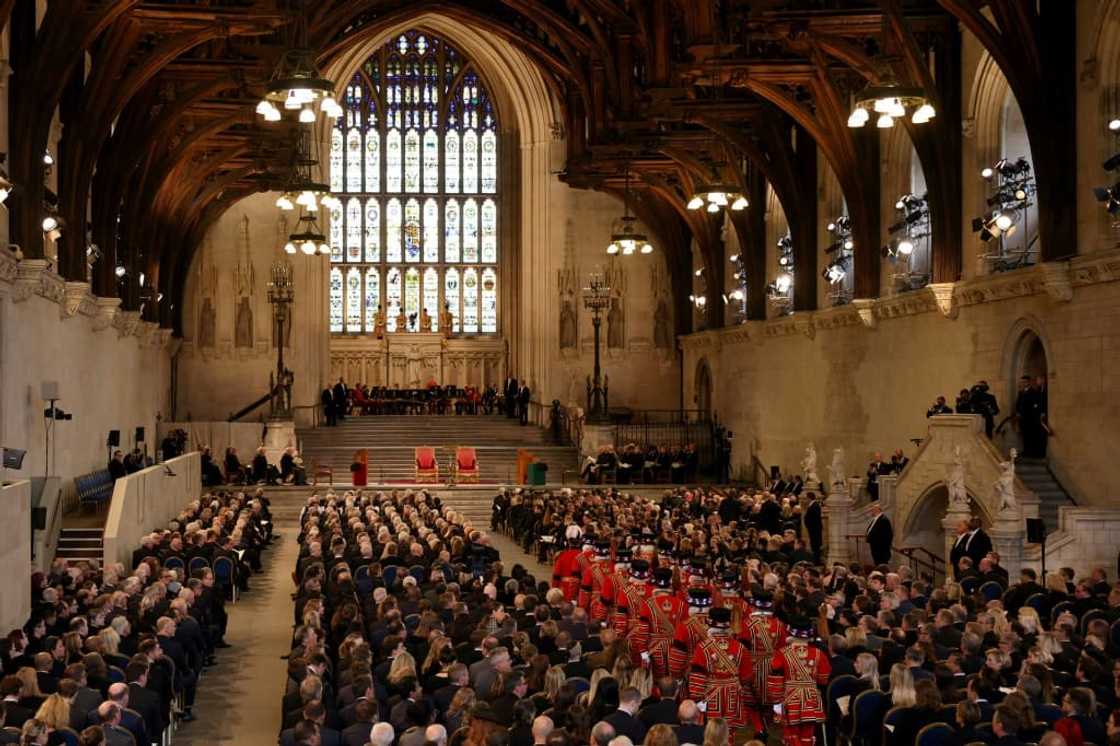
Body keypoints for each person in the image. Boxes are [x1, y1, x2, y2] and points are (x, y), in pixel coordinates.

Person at [866, 502, 893, 567]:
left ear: (877, 510)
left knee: (881, 564)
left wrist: (882, 544)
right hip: (875, 546)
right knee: (877, 563)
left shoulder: (883, 519)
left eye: (872, 509)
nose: (871, 511)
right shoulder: (876, 519)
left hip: (881, 548)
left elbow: (888, 534)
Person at [803, 492, 823, 563]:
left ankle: (817, 560)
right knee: (813, 544)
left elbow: (815, 517)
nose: (805, 500)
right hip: (812, 529)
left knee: (816, 545)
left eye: (806, 498)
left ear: (809, 498)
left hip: (815, 529)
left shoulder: (815, 505)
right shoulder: (812, 505)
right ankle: (815, 560)